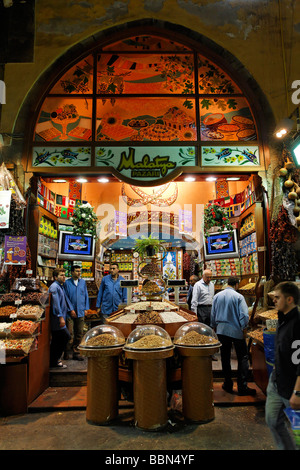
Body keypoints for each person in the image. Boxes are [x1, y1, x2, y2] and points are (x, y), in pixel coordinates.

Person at [265, 281, 300, 450]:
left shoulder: (297, 324)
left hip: (293, 385)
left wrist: (297, 392)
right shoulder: (282, 319)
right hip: (277, 381)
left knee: (298, 430)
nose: (274, 300)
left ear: (290, 299)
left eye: (278, 298)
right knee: (272, 420)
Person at [210, 276, 256, 396]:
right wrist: (244, 327)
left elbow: (213, 314)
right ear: (236, 285)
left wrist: (214, 326)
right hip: (236, 331)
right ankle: (242, 386)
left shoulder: (217, 296)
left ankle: (228, 384)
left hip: (221, 330)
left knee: (225, 357)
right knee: (243, 358)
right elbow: (244, 315)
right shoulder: (239, 297)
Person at [63, 264, 89, 361]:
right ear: (72, 272)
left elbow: (85, 295)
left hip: (81, 311)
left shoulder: (83, 282)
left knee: (79, 333)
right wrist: (71, 309)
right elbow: (65, 297)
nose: (79, 273)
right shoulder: (67, 283)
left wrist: (86, 308)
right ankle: (66, 352)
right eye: (77, 271)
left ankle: (76, 352)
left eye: (80, 271)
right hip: (70, 312)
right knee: (69, 333)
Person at [49, 268, 73, 369]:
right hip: (57, 319)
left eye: (64, 275)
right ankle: (55, 360)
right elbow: (56, 304)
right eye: (61, 275)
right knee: (65, 336)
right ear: (55, 277)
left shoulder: (60, 286)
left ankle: (54, 361)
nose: (64, 277)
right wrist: (60, 317)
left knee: (57, 339)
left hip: (60, 317)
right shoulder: (54, 287)